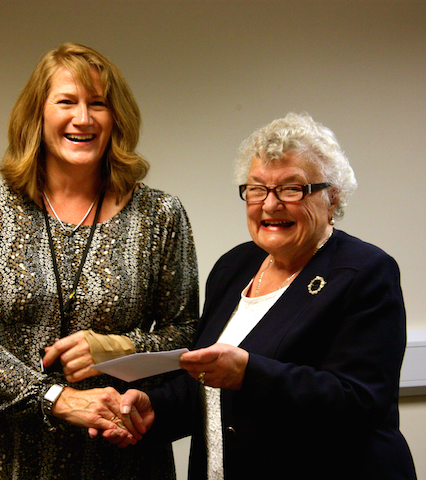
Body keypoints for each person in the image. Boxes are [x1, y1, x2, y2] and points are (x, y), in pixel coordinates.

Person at [0, 42, 198, 480]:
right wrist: (57, 398)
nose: (83, 118)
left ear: (116, 117)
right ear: (36, 115)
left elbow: (186, 335)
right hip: (11, 460)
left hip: (123, 458)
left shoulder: (160, 215)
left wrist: (118, 348)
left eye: (98, 104)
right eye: (66, 102)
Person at [115, 112, 417, 479]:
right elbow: (212, 385)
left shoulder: (364, 271)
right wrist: (156, 408)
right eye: (257, 188)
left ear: (333, 197)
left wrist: (250, 373)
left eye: (292, 188)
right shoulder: (234, 267)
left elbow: (359, 402)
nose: (270, 205)